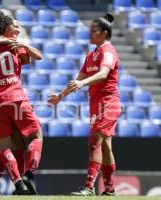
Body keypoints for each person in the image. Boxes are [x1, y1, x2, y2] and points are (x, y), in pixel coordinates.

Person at [48, 13, 121, 196]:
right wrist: (60, 96)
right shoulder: (91, 55)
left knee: (94, 141)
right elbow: (77, 80)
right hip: (96, 104)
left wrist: (82, 83)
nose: (90, 34)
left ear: (104, 33)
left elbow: (104, 74)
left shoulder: (108, 51)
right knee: (106, 146)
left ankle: (89, 188)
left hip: (108, 102)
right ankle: (110, 189)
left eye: (94, 31)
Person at [0, 10, 43, 195]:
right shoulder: (13, 45)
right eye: (15, 26)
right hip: (15, 98)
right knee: (35, 137)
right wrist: (17, 45)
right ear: (5, 28)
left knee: (8, 146)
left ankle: (16, 185)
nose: (18, 29)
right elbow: (28, 59)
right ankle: (28, 175)